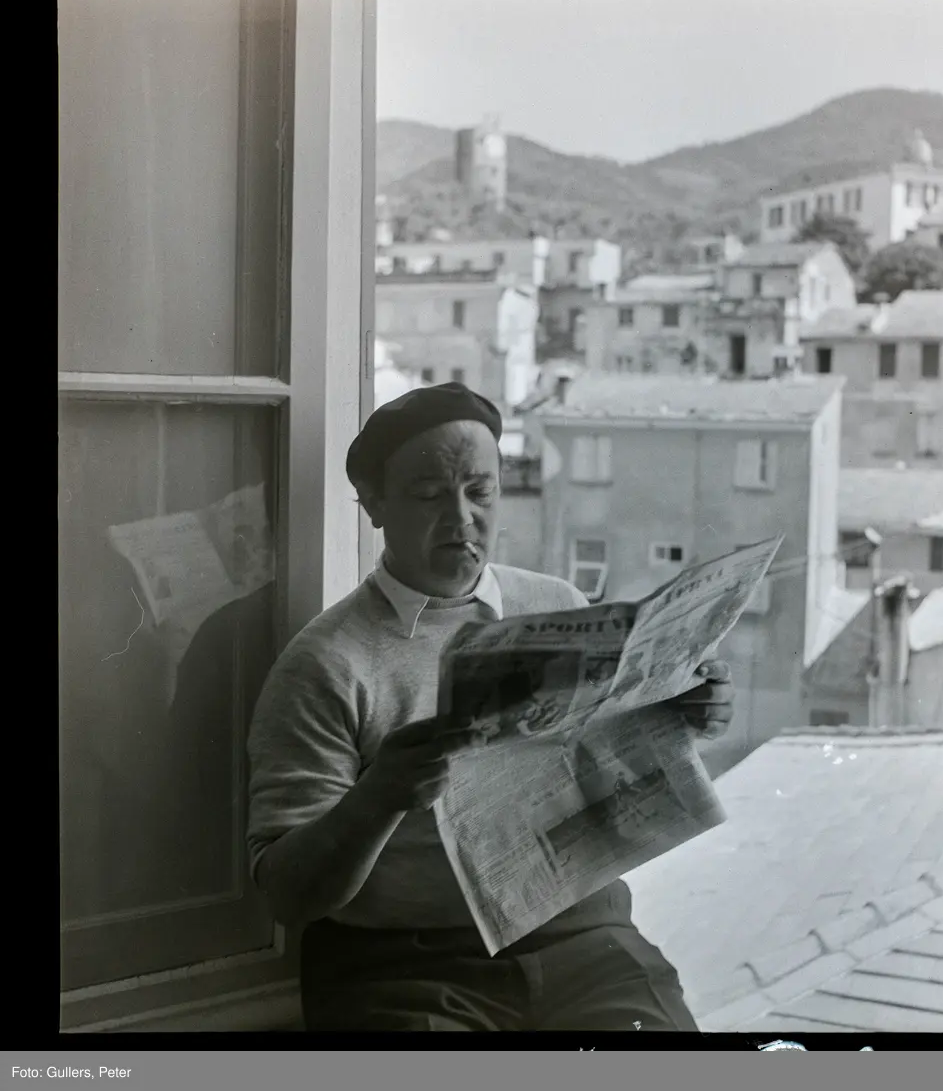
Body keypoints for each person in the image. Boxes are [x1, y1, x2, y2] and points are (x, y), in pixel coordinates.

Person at [246, 382, 734, 1032]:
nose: (461, 519)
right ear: (374, 505)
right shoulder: (327, 664)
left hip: (581, 937)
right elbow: (287, 894)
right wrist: (378, 798)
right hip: (407, 967)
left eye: (480, 491)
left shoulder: (559, 606)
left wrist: (683, 713)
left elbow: (613, 771)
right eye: (429, 495)